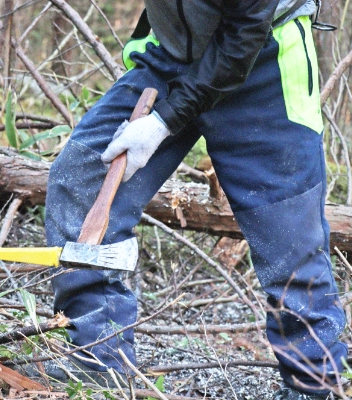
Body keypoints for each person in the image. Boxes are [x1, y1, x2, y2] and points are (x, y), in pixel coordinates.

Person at [44, 1, 347, 398]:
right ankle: (100, 360)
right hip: (170, 58)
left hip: (264, 60)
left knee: (288, 233)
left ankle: (314, 386)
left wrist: (161, 124)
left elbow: (243, 34)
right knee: (82, 178)